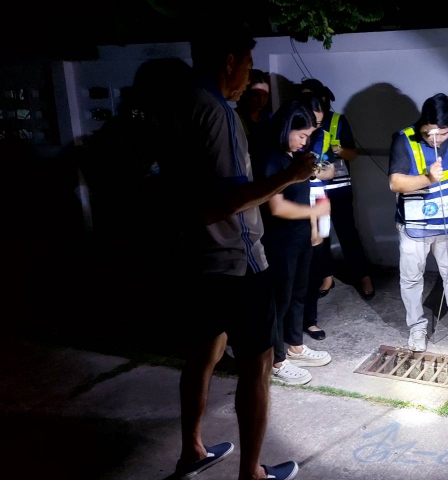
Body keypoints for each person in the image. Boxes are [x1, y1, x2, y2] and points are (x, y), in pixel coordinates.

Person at [171, 24, 313, 480]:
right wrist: (291, 176)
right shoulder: (219, 112)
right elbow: (226, 201)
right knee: (258, 365)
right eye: (248, 65)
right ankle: (251, 472)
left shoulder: (179, 103)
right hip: (237, 261)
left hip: (196, 260)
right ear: (229, 61)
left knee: (202, 356)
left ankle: (192, 450)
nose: (249, 78)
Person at [388, 93, 448, 352]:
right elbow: (395, 183)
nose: (436, 139)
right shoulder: (404, 139)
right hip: (416, 224)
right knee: (412, 278)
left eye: (442, 133)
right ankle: (417, 327)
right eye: (430, 133)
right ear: (422, 122)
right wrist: (428, 179)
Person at [256, 96, 333, 387]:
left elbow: (308, 192)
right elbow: (276, 207)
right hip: (279, 241)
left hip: (300, 237)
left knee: (299, 293)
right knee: (280, 299)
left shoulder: (296, 157)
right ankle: (277, 361)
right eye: (301, 135)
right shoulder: (271, 158)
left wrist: (313, 227)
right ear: (286, 128)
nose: (305, 141)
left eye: (309, 136)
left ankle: (295, 347)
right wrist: (314, 213)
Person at [300, 78, 375, 300]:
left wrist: (339, 150)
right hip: (313, 188)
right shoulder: (300, 121)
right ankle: (327, 277)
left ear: (322, 98)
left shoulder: (337, 121)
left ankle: (363, 276)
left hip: (339, 187)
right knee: (320, 236)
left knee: (347, 232)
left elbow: (352, 154)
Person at [302, 91, 338, 341]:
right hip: (297, 201)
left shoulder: (323, 136)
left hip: (318, 198)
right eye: (312, 122)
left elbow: (330, 171)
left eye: (319, 122)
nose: (316, 127)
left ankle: (310, 320)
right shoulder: (289, 136)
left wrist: (314, 170)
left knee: (316, 257)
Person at [235, 69, 272, 140]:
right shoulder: (235, 117)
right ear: (245, 94)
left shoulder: (269, 118)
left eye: (265, 95)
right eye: (256, 95)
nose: (261, 100)